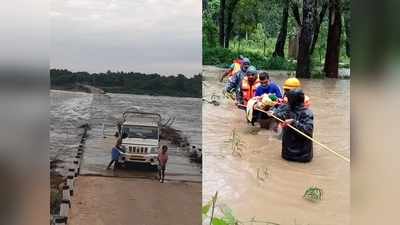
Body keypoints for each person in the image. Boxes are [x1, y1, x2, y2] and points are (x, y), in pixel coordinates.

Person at [268, 89, 314, 162]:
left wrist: (293, 122)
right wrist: (273, 113)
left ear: (292, 101)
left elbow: (308, 130)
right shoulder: (287, 109)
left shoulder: (307, 113)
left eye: (288, 99)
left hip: (302, 156)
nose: (287, 101)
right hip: (287, 154)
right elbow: (280, 115)